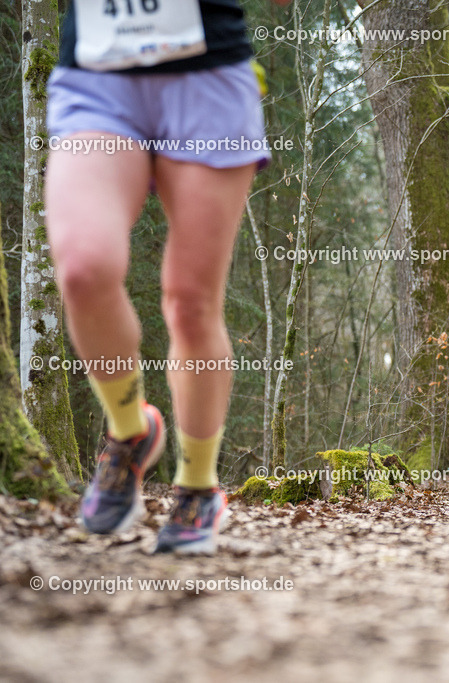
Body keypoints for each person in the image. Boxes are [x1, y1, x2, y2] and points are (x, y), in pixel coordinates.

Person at [47, 0, 290, 554]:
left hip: (207, 73)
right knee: (84, 267)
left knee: (190, 301)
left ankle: (198, 486)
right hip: (97, 75)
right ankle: (130, 431)